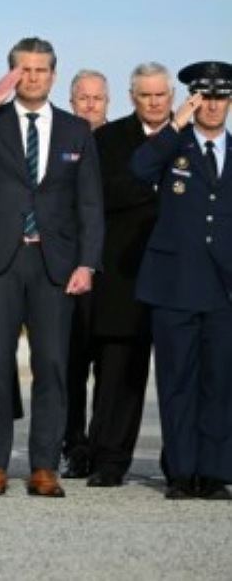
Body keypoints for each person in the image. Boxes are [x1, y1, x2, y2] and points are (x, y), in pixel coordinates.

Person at [0, 37, 104, 498]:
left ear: (53, 75)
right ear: (11, 74)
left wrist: (88, 263)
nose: (32, 77)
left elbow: (90, 203)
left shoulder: (75, 130)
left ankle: (44, 466)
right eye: (24, 70)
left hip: (55, 264)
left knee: (51, 365)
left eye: (41, 69)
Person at [131, 60, 232, 500]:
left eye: (221, 97)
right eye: (205, 97)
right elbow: (139, 169)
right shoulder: (174, 146)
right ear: (193, 99)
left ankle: (214, 472)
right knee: (176, 382)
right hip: (174, 285)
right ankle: (182, 471)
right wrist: (175, 124)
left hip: (224, 289)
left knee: (220, 383)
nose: (213, 105)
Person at [76, 63, 171, 487]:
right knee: (117, 373)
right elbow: (102, 193)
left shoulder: (191, 137)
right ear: (132, 98)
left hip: (178, 275)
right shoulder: (108, 139)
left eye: (160, 95)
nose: (154, 102)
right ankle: (108, 461)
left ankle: (183, 466)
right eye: (145, 95)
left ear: (171, 97)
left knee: (179, 376)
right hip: (121, 275)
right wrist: (154, 187)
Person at [60, 68, 111, 479]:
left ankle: (103, 447)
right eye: (83, 97)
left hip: (113, 272)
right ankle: (74, 446)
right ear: (71, 101)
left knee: (109, 369)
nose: (91, 104)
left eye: (98, 98)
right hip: (66, 270)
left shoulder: (122, 143)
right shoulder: (61, 138)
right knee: (70, 365)